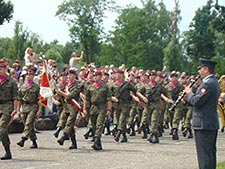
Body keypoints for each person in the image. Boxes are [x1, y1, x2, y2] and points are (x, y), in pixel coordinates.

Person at [184, 58, 220, 169]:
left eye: (201, 69)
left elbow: (197, 101)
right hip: (208, 123)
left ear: (206, 69)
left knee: (204, 157)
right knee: (209, 154)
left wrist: (189, 93)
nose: (199, 72)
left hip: (204, 124)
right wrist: (187, 98)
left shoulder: (208, 84)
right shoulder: (213, 82)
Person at [17, 65, 42, 149]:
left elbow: (40, 99)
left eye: (31, 74)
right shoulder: (23, 87)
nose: (29, 76)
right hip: (24, 106)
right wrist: (18, 110)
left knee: (29, 122)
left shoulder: (36, 87)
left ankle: (23, 139)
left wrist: (39, 110)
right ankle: (34, 141)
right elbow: (19, 99)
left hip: (33, 106)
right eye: (27, 74)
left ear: (33, 76)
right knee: (28, 125)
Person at [0, 60, 19, 160]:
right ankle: (8, 152)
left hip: (7, 106)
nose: (0, 70)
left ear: (6, 69)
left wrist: (15, 109)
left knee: (2, 129)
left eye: (2, 68)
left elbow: (16, 97)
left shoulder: (11, 82)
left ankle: (7, 151)